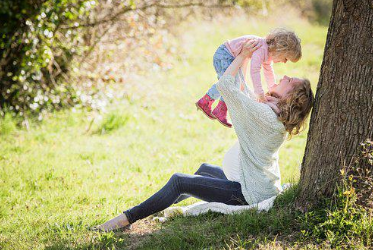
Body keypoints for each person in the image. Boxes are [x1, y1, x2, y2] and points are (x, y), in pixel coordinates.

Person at [94, 40, 314, 232]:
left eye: (290, 80)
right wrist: (245, 59)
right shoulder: (272, 114)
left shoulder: (265, 116)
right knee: (203, 170)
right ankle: (156, 206)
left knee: (180, 181)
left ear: (291, 97)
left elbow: (227, 86)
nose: (284, 75)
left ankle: (126, 219)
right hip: (253, 183)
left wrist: (242, 56)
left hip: (248, 193)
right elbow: (245, 93)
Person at [196, 28, 302, 127]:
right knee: (229, 83)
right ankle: (208, 102)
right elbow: (254, 71)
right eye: (286, 58)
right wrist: (259, 93)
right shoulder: (261, 48)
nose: (284, 62)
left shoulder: (267, 52)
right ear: (280, 49)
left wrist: (272, 87)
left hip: (229, 56)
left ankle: (219, 108)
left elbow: (268, 71)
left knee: (232, 84)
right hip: (224, 55)